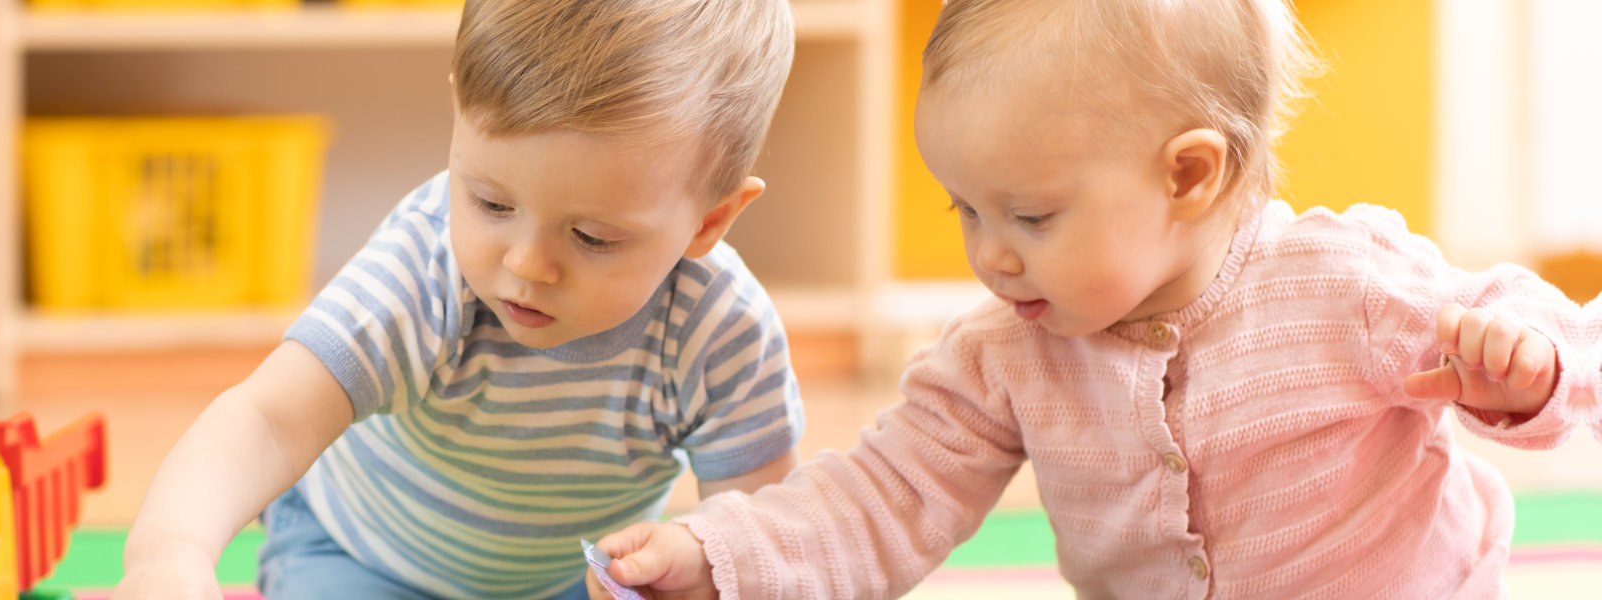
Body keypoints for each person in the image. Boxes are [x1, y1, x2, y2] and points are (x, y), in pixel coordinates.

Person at [590, 0, 1593, 597]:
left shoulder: (1348, 286)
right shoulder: (1006, 354)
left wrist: (1526, 368)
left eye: (1029, 217)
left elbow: (1569, 354)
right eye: (965, 211)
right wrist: (717, 554)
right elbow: (880, 497)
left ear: (1189, 177)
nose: (992, 256)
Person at [112, 1, 807, 598]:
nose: (526, 263)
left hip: (568, 578)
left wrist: (701, 560)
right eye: (490, 201)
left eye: (592, 237)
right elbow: (267, 421)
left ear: (710, 221)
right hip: (360, 557)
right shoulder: (423, 271)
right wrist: (169, 552)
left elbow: (755, 532)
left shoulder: (721, 333)